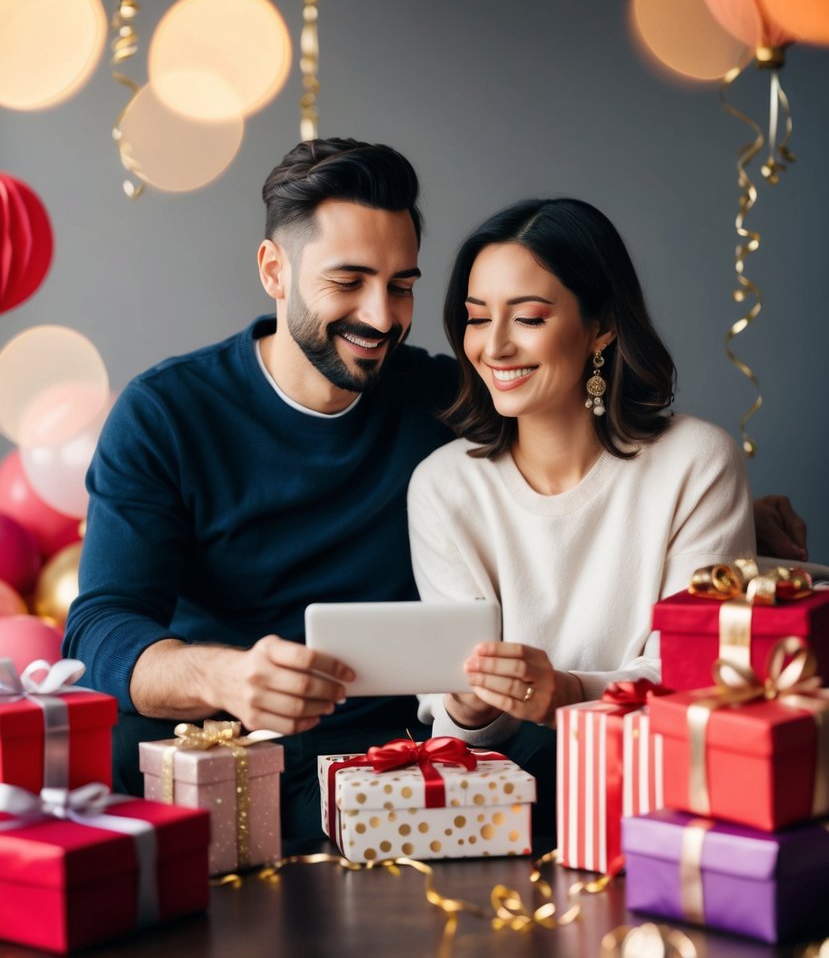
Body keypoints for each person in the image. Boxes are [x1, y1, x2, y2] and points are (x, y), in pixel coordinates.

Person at [64, 142, 808, 846]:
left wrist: (746, 543)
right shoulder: (167, 412)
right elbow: (100, 624)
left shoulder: (443, 398)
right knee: (125, 742)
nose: (381, 316)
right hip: (237, 745)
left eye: (402, 285)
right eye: (347, 281)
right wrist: (224, 674)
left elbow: (586, 431)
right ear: (273, 270)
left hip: (409, 750)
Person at [408, 197, 756, 774]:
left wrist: (567, 692)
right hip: (506, 801)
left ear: (602, 328)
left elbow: (699, 673)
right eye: (476, 316)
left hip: (664, 785)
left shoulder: (697, 462)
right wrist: (466, 705)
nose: (493, 347)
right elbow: (456, 734)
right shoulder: (443, 486)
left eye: (528, 317)